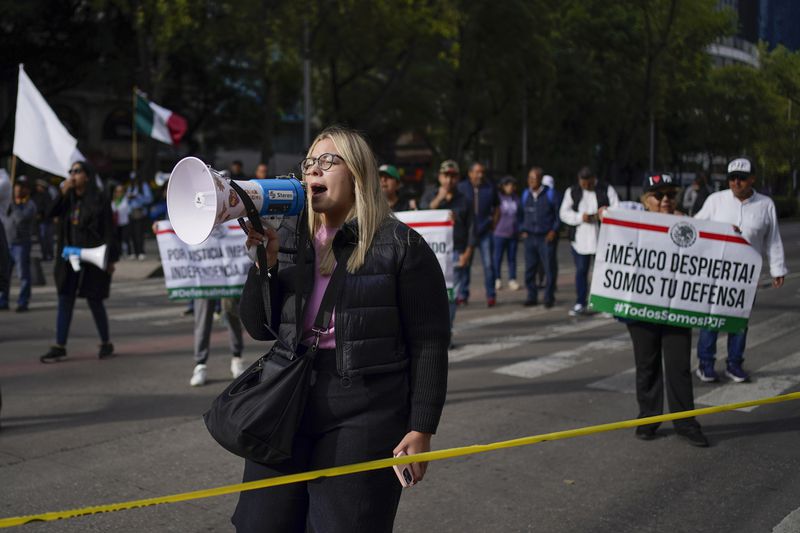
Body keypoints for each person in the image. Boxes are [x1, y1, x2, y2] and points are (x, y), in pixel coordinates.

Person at [232, 126, 449, 532]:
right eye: (309, 163)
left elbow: (430, 344)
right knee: (261, 523)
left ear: (358, 173)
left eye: (327, 161)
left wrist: (421, 428)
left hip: (364, 408)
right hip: (288, 399)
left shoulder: (402, 246)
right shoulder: (292, 239)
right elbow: (259, 328)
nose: (314, 169)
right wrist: (265, 262)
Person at [625, 173, 708, 447]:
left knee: (678, 366)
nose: (664, 201)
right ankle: (648, 419)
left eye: (670, 195)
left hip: (677, 308)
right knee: (646, 365)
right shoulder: (633, 223)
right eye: (658, 195)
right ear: (645, 200)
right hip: (642, 308)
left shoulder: (689, 226)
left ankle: (686, 423)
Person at [693, 157, 787, 383]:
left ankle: (734, 364)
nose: (736, 183)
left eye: (741, 179)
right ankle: (705, 364)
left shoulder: (765, 204)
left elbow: (772, 239)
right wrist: (722, 230)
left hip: (746, 275)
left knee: (739, 322)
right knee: (711, 319)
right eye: (732, 178)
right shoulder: (716, 201)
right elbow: (696, 227)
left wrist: (777, 269)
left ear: (752, 179)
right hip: (715, 272)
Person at [40, 161, 119, 362]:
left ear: (87, 176)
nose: (72, 176)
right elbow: (49, 214)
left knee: (94, 299)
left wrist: (110, 259)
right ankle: (60, 344)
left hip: (93, 256)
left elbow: (109, 230)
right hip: (69, 257)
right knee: (65, 298)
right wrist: (62, 193)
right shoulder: (69, 199)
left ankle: (105, 342)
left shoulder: (99, 199)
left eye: (77, 171)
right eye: (71, 172)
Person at [420, 160, 474, 346]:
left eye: (453, 176)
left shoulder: (464, 200)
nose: (449, 180)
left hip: (456, 252)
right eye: (446, 176)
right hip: (432, 252)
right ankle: (431, 332)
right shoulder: (430, 196)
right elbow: (420, 216)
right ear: (440, 177)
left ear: (458, 178)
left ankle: (446, 333)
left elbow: (471, 228)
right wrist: (438, 200)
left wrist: (468, 252)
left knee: (451, 296)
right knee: (429, 295)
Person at [559, 166, 619, 316]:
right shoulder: (572, 191)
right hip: (580, 239)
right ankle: (580, 302)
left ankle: (605, 304)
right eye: (583, 183)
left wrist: (604, 214)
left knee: (603, 272)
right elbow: (564, 213)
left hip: (602, 238)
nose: (585, 186)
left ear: (594, 179)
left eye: (588, 183)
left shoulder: (606, 189)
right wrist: (580, 217)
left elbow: (617, 208)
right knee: (581, 271)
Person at [457, 162, 498, 307]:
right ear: (470, 173)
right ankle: (462, 294)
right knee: (465, 264)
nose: (480, 175)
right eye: (477, 172)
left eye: (482, 172)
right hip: (468, 232)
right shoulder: (461, 187)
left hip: (484, 231)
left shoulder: (489, 187)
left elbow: (497, 206)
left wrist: (493, 223)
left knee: (488, 265)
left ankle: (491, 295)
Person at [520, 167, 560, 308]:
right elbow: (519, 214)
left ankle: (549, 297)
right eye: (529, 178)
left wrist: (553, 231)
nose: (531, 181)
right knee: (530, 268)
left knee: (549, 268)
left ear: (540, 179)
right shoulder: (526, 194)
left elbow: (558, 215)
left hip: (545, 237)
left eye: (534, 178)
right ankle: (532, 295)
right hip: (530, 237)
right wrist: (522, 229)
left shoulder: (550, 194)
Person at [0, 177, 37, 312]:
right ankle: (3, 300)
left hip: (21, 244)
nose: (18, 189)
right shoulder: (8, 202)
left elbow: (21, 219)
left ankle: (23, 301)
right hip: (7, 243)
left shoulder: (29, 205)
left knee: (23, 275)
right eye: (17, 186)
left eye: (22, 187)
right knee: (4, 274)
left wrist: (14, 207)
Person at [190, 297, 245, 386]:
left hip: (226, 283)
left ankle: (237, 358)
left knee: (232, 312)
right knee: (203, 318)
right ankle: (200, 365)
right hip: (206, 284)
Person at [492, 176, 521, 291]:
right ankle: (497, 278)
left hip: (512, 233)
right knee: (497, 257)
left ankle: (512, 279)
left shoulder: (516, 198)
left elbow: (519, 214)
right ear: (503, 186)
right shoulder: (498, 198)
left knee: (512, 258)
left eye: (512, 185)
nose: (510, 187)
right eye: (508, 185)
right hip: (499, 233)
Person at [126, 175, 152, 260]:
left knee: (139, 233)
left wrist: (138, 197)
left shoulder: (143, 186)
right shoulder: (131, 186)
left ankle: (141, 251)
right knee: (132, 233)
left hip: (140, 212)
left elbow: (149, 199)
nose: (134, 181)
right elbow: (127, 199)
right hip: (131, 212)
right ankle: (135, 252)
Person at [33, 179, 54, 260]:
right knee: (42, 239)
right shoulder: (37, 195)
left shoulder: (46, 195)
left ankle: (49, 254)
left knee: (46, 239)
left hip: (45, 221)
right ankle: (45, 254)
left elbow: (48, 208)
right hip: (39, 221)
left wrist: (41, 214)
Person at [111, 184, 131, 257]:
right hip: (117, 223)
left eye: (120, 191)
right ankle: (119, 252)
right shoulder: (114, 200)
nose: (118, 193)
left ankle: (129, 252)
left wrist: (116, 210)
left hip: (125, 222)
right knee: (118, 238)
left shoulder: (125, 199)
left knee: (126, 238)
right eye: (117, 191)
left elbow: (125, 209)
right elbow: (112, 209)